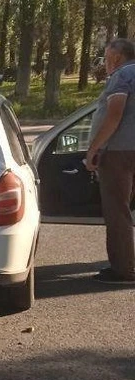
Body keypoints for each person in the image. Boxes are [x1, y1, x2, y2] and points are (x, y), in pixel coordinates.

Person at [83, 37, 135, 285]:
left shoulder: (122, 77)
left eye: (106, 56)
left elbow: (114, 115)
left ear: (116, 57)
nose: (105, 62)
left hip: (119, 152)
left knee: (117, 210)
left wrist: (93, 149)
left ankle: (123, 269)